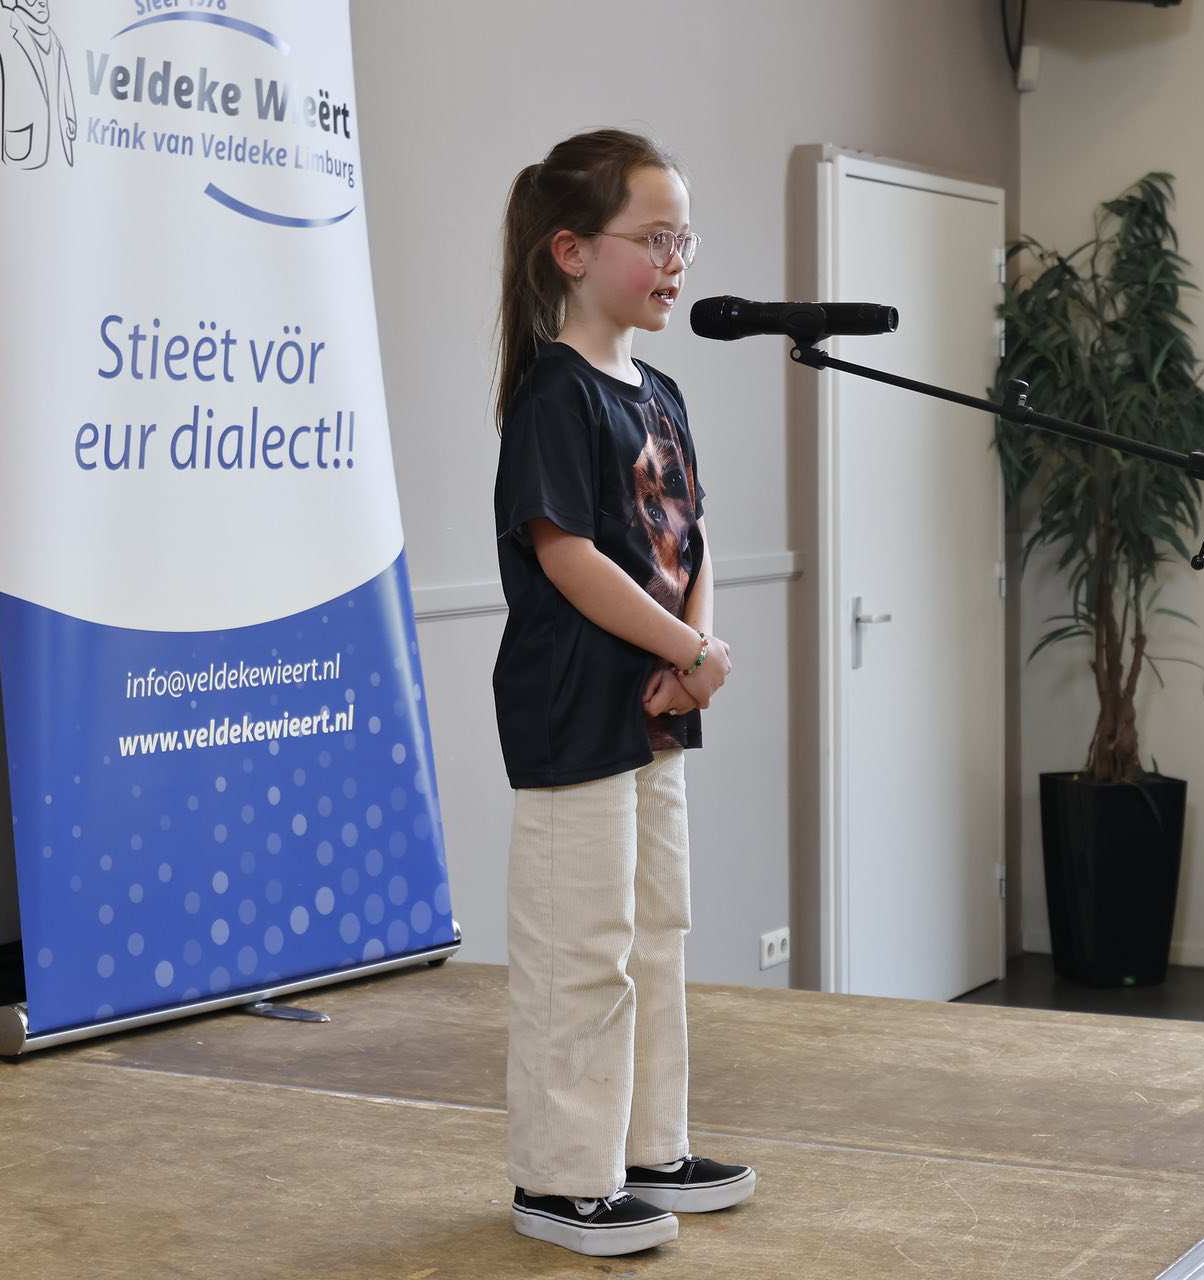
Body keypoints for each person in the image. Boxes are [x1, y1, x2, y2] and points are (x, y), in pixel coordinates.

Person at [490, 128, 755, 1257]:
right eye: (654, 238)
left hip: (658, 710)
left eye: (684, 239)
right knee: (580, 945)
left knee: (656, 931)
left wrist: (696, 651)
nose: (674, 261)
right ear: (571, 250)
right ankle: (561, 1178)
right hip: (576, 713)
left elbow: (691, 537)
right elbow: (568, 554)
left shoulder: (663, 390)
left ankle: (649, 1147)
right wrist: (685, 649)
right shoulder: (555, 394)